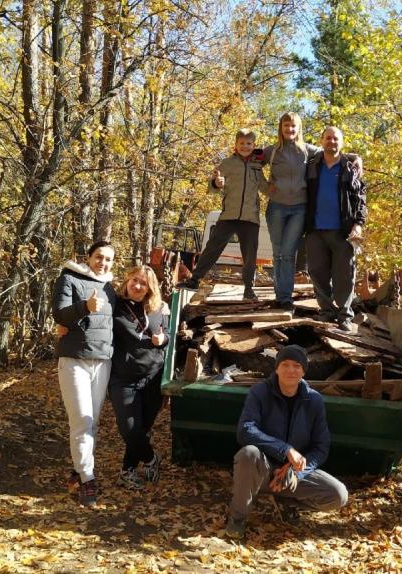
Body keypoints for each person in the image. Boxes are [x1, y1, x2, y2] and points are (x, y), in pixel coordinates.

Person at [225, 345, 348, 540]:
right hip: (263, 468)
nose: (291, 370)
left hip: (291, 472)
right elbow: (246, 430)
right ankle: (237, 517)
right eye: (285, 364)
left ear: (304, 371)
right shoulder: (259, 393)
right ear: (276, 368)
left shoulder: (314, 400)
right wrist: (286, 450)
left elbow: (321, 447)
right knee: (248, 454)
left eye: (297, 366)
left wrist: (297, 472)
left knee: (338, 495)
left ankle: (285, 500)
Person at [52, 241, 116, 507]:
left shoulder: (111, 287)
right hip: (74, 359)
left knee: (93, 421)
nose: (103, 263)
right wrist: (84, 308)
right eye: (99, 257)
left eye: (108, 259)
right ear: (88, 257)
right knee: (81, 420)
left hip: (102, 360)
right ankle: (88, 479)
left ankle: (78, 471)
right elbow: (59, 314)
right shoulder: (68, 279)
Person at [178, 129, 267, 300]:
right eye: (241, 143)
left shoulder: (257, 166)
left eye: (249, 143)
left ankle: (249, 289)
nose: (245, 146)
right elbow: (211, 188)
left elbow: (264, 186)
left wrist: (279, 190)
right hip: (228, 216)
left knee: (250, 255)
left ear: (254, 145)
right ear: (236, 145)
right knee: (212, 247)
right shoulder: (226, 164)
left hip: (250, 217)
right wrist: (217, 183)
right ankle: (195, 279)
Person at [109, 265, 170, 490]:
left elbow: (170, 335)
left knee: (142, 428)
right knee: (129, 428)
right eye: (134, 280)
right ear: (126, 281)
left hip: (153, 377)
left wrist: (163, 339)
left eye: (143, 283)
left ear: (150, 288)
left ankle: (127, 471)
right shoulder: (115, 305)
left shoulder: (159, 308)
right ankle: (152, 458)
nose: (137, 286)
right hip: (123, 378)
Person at [304, 126, 367, 332]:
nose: (332, 142)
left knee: (344, 275)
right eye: (328, 138)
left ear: (342, 142)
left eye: (336, 139)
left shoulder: (350, 167)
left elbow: (360, 199)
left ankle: (344, 315)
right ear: (321, 141)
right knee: (317, 272)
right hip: (314, 229)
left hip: (343, 231)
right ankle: (326, 313)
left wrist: (358, 224)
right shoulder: (312, 165)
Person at [263, 112, 320, 312]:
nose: (290, 129)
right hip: (276, 207)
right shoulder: (271, 151)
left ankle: (285, 298)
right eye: (286, 125)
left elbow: (332, 153)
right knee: (278, 253)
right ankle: (280, 295)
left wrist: (354, 158)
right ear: (281, 128)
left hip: (299, 208)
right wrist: (264, 187)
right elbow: (250, 163)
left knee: (288, 254)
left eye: (294, 126)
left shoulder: (307, 150)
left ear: (299, 128)